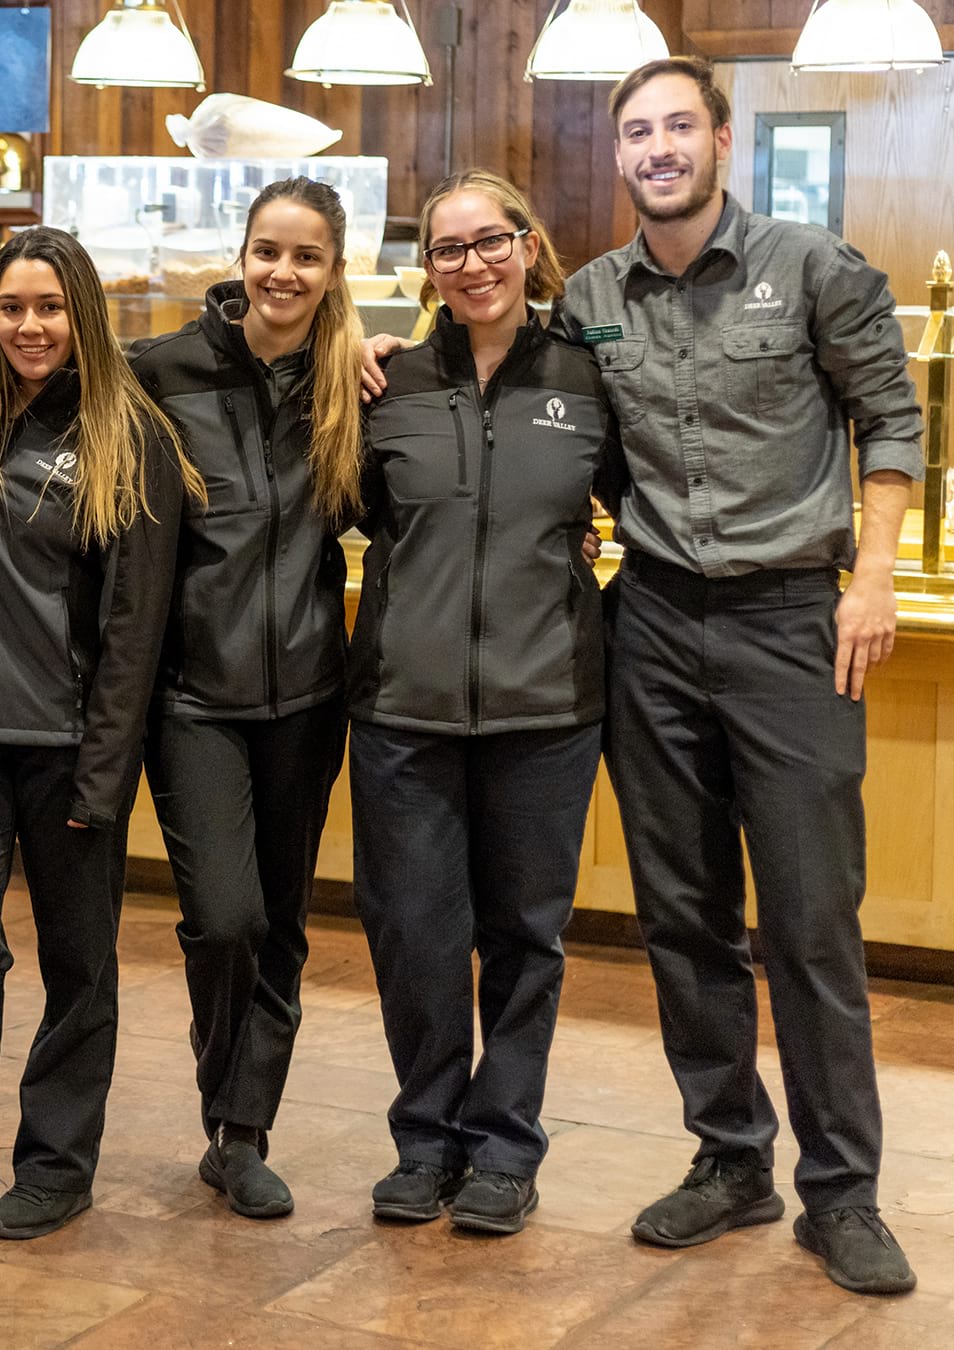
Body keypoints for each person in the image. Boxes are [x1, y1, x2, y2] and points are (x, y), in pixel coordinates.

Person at [559, 56, 923, 1293]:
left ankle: (844, 1193)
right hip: (651, 624)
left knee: (812, 921)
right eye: (637, 132)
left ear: (722, 139)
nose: (658, 148)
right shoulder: (588, 296)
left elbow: (894, 420)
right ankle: (730, 1159)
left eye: (679, 126)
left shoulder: (814, 267)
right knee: (684, 914)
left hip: (789, 627)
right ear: (618, 156)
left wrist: (872, 577)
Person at [0, 226, 196, 1245]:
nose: (30, 327)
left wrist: (105, 774)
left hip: (68, 742)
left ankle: (59, 1164)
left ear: (84, 316)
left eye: (50, 308)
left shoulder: (130, 435)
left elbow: (134, 626)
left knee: (79, 961)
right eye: (13, 310)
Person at [350, 170, 623, 1238]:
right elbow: (354, 512)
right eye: (449, 249)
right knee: (414, 931)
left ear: (527, 243)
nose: (474, 264)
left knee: (525, 936)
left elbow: (634, 505)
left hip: (547, 709)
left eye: (491, 241)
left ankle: (505, 1146)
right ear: (428, 270)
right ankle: (425, 1139)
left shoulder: (587, 377)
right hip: (403, 711)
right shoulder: (390, 383)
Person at [125, 177, 363, 1219]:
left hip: (309, 696)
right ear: (243, 254)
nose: (283, 272)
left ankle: (241, 1131)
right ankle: (227, 1099)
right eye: (269, 250)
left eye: (306, 257)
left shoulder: (351, 386)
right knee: (224, 918)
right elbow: (37, 391)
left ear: (331, 270)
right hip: (193, 696)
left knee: (281, 920)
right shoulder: (162, 371)